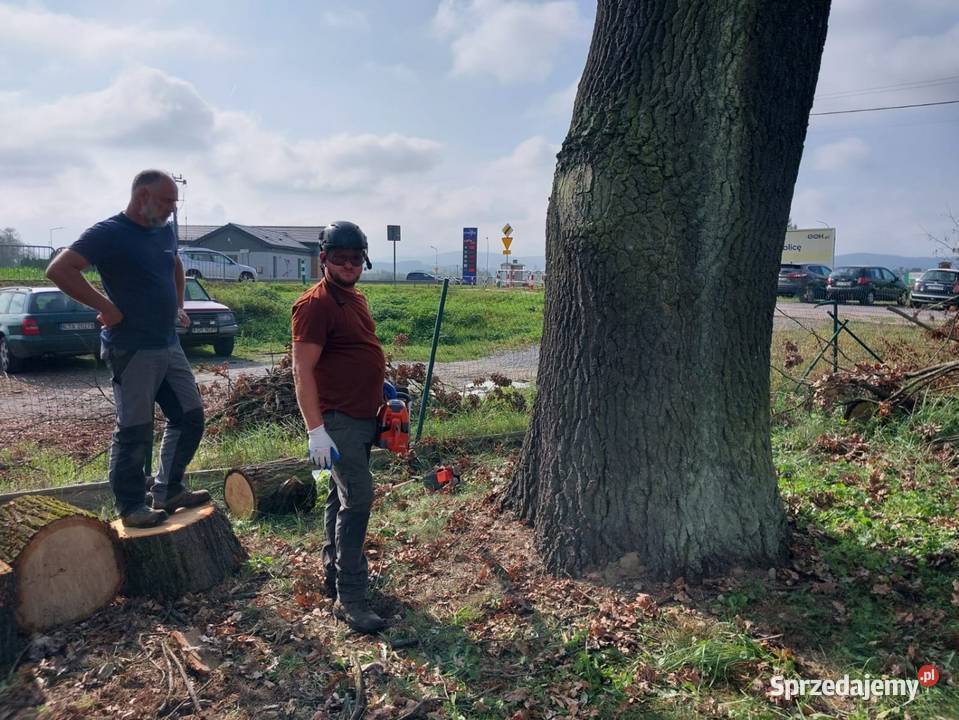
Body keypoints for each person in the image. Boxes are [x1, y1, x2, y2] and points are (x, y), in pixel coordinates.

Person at [46, 169, 210, 528]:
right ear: (142, 197)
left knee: (190, 415)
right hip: (132, 347)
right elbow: (60, 269)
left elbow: (175, 263)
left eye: (175, 202)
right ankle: (131, 505)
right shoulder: (109, 232)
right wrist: (105, 307)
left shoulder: (164, 230)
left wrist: (178, 304)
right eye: (166, 201)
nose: (172, 208)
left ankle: (168, 489)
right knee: (135, 427)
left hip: (167, 342)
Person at [291, 220, 388, 634]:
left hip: (364, 416)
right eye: (340, 258)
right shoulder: (315, 305)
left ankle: (333, 577)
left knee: (340, 497)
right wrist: (316, 430)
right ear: (324, 259)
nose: (349, 265)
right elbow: (302, 371)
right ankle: (351, 598)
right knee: (359, 498)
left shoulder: (355, 297)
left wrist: (381, 385)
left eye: (355, 258)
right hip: (338, 419)